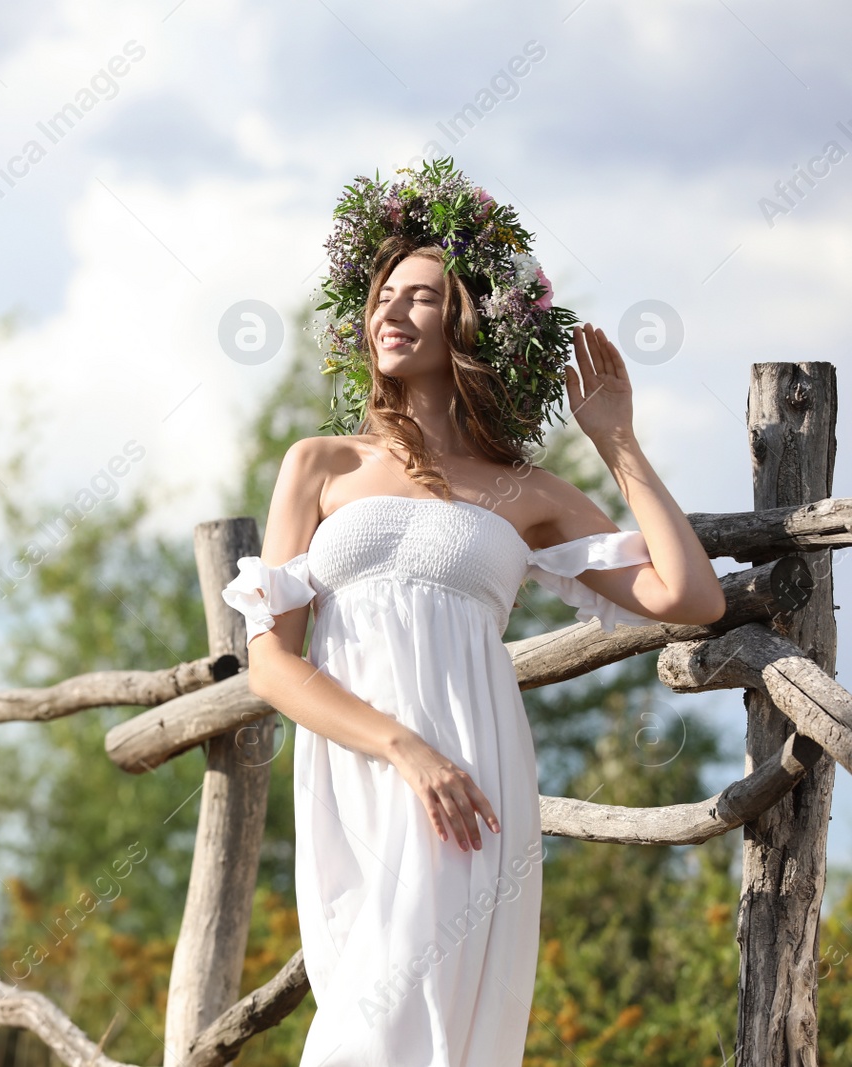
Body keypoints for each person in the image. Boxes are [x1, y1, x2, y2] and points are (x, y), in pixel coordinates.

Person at [220, 161, 726, 1066]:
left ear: (468, 324)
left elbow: (690, 597)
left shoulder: (525, 492)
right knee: (367, 1017)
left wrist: (617, 443)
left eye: (418, 297)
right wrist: (402, 747)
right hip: (366, 765)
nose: (389, 312)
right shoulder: (321, 464)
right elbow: (270, 663)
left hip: (474, 776)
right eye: (381, 296)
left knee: (423, 1029)